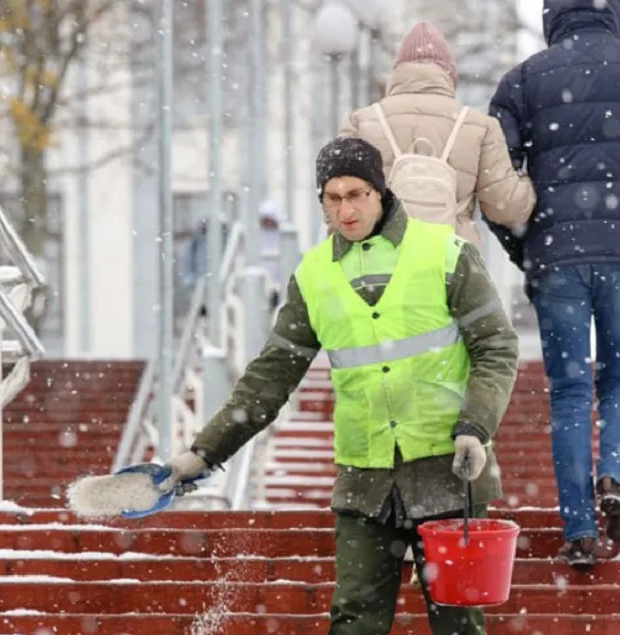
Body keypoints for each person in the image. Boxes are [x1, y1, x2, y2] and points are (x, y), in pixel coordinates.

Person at [159, 137, 520, 635]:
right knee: (353, 621)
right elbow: (272, 375)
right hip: (366, 478)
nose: (346, 209)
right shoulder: (313, 276)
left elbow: (497, 347)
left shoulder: (446, 255)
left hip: (449, 468)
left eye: (356, 194)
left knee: (458, 621)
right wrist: (203, 453)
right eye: (333, 198)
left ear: (379, 193)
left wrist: (474, 426)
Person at [485, 0, 620, 568]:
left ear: (554, 16)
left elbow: (494, 181)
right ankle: (614, 479)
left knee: (571, 392)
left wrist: (526, 246)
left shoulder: (523, 80)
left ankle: (579, 528)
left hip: (556, 257)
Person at [338, 21, 535, 251]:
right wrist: (533, 176)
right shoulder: (479, 126)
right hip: (452, 265)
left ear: (397, 72)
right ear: (449, 74)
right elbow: (507, 207)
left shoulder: (360, 122)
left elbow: (337, 203)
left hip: (376, 266)